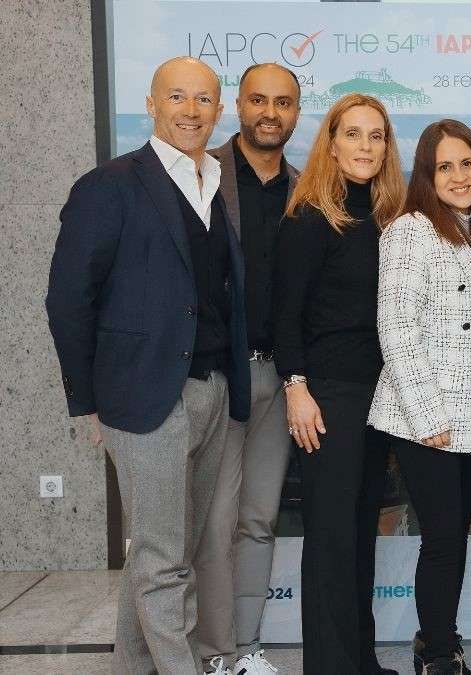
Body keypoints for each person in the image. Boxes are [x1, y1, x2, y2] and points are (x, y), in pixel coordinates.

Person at [46, 56, 251, 675]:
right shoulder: (109, 185)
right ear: (153, 105)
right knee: (164, 561)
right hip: (143, 394)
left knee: (165, 554)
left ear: (220, 110)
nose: (192, 111)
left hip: (213, 388)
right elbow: (67, 297)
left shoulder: (217, 183)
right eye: (178, 98)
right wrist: (88, 400)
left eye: (205, 100)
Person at [272, 93, 405, 675]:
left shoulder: (387, 218)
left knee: (358, 534)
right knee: (330, 538)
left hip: (379, 397)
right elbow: (286, 315)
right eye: (353, 134)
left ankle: (361, 661)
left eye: (376, 136)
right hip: (327, 395)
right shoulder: (308, 220)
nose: (366, 147)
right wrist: (296, 388)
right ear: (331, 143)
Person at [367, 119, 471, 675]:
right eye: (444, 166)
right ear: (426, 174)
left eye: (466, 163)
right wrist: (428, 417)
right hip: (425, 417)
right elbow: (396, 328)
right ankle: (440, 657)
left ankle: (437, 643)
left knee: (452, 539)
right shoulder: (409, 230)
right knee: (444, 539)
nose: (458, 175)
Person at [195, 62, 301, 675]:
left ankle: (249, 647)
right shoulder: (199, 173)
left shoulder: (308, 185)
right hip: (215, 378)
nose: (270, 112)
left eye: (282, 102)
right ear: (238, 105)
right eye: (259, 100)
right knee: (215, 523)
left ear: (295, 111)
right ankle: (215, 653)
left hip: (282, 379)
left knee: (258, 518)